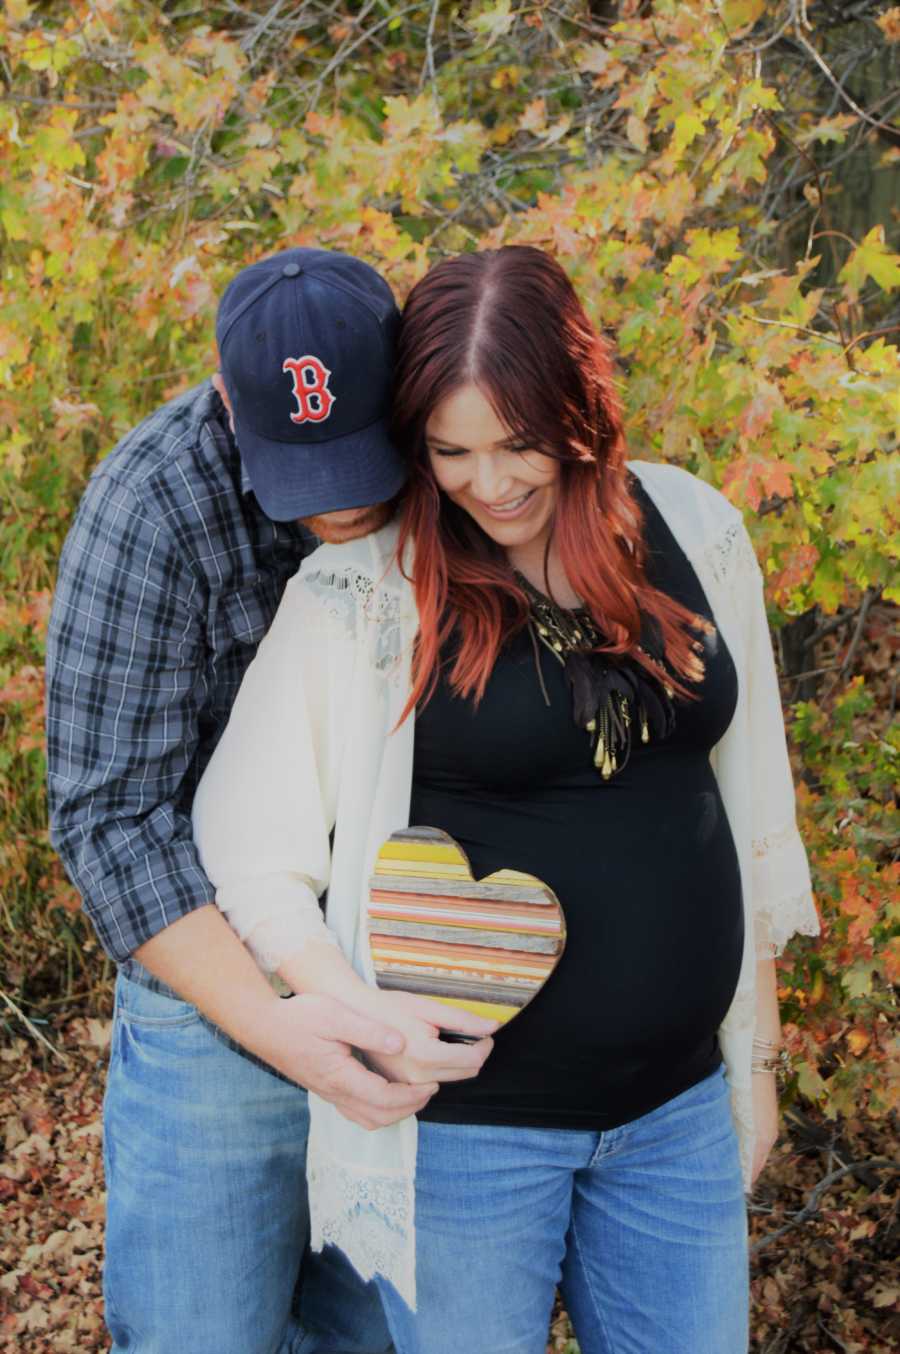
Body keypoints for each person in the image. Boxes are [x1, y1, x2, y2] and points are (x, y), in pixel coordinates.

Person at [191, 246, 821, 1354]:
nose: (491, 483)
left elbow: (746, 799)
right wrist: (350, 1008)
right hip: (468, 1142)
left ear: (581, 408)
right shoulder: (368, 591)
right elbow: (248, 841)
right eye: (453, 451)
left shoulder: (697, 528)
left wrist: (754, 1065)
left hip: (674, 1116)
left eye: (520, 442)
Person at [45, 245, 495, 1354]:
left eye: (364, 461)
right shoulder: (150, 505)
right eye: (308, 472)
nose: (343, 504)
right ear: (223, 397)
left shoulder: (461, 460)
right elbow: (107, 821)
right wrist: (276, 1022)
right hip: (217, 998)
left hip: (396, 971)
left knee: (369, 1334)